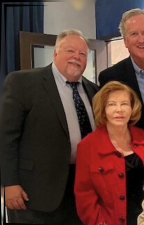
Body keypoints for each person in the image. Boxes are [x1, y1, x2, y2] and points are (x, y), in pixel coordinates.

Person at [0, 29, 99, 224]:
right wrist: (8, 183)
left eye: (82, 54)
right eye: (70, 51)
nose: (76, 57)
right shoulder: (23, 82)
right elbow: (5, 137)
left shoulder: (94, 90)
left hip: (81, 189)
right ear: (55, 52)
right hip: (34, 192)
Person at [75, 81, 144, 225]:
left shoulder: (143, 137)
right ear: (103, 109)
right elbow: (84, 196)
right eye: (112, 104)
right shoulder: (87, 146)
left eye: (124, 104)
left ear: (132, 108)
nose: (119, 110)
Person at [98, 8, 144, 133]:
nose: (141, 40)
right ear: (125, 41)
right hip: (137, 148)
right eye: (134, 34)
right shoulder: (111, 77)